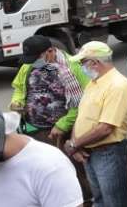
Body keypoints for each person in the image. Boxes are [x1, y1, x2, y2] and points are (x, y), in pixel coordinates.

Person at [9, 35, 92, 205]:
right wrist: (16, 102)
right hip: (36, 129)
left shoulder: (70, 68)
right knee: (44, 169)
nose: (32, 63)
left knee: (72, 168)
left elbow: (84, 101)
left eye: (36, 58)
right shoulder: (29, 66)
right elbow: (18, 87)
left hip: (64, 130)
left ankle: (85, 200)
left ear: (50, 52)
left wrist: (63, 125)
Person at [65, 42, 127, 207]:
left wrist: (74, 144)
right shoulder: (94, 83)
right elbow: (82, 116)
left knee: (114, 201)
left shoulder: (118, 85)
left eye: (83, 63)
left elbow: (106, 128)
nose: (81, 67)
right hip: (89, 151)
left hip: (108, 152)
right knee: (100, 200)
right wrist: (76, 143)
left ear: (95, 62)